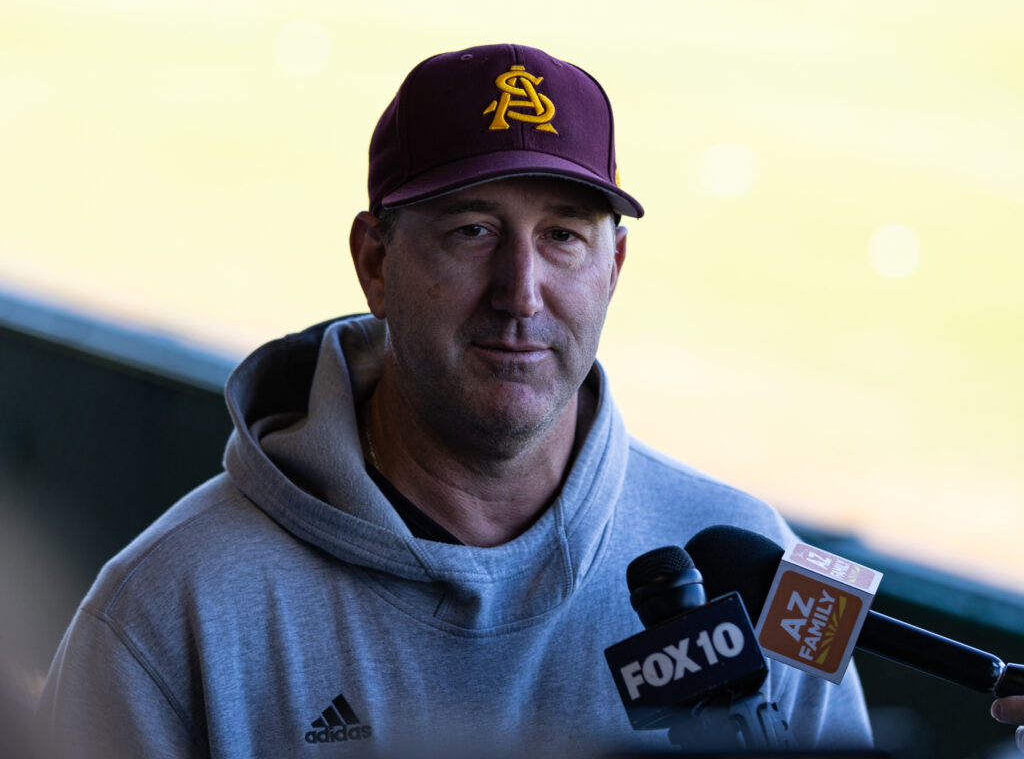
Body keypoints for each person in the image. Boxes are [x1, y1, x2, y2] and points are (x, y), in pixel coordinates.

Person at [34, 43, 873, 758]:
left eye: (563, 237)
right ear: (375, 263)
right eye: (471, 230)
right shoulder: (168, 609)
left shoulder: (762, 569)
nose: (520, 292)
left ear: (613, 268)